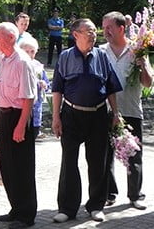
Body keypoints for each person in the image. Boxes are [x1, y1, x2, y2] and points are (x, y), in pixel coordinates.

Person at [51, 18, 123, 223]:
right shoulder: (65, 57)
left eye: (94, 31)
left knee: (97, 162)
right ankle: (67, 208)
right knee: (69, 162)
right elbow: (57, 89)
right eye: (89, 31)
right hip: (71, 116)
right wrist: (56, 117)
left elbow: (110, 88)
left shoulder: (101, 56)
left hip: (98, 115)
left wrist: (116, 113)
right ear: (76, 35)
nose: (93, 34)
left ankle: (96, 206)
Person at [101, 12, 153, 210]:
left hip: (131, 110)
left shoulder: (138, 50)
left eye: (109, 28)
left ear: (122, 28)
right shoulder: (101, 51)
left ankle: (135, 195)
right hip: (105, 110)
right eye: (103, 27)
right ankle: (109, 194)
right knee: (106, 156)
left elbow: (148, 82)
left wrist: (143, 68)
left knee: (134, 156)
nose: (105, 32)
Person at [0, 23, 38, 228]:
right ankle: (16, 208)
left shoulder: (22, 62)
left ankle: (26, 215)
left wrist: (21, 126)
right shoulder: (3, 59)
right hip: (3, 115)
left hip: (18, 116)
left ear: (11, 37)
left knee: (22, 167)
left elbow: (29, 98)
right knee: (7, 165)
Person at [18, 36, 50, 138]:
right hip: (21, 105)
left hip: (36, 106)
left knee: (33, 133)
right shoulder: (18, 65)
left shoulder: (39, 66)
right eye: (26, 51)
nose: (30, 54)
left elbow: (47, 84)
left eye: (32, 51)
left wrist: (44, 84)